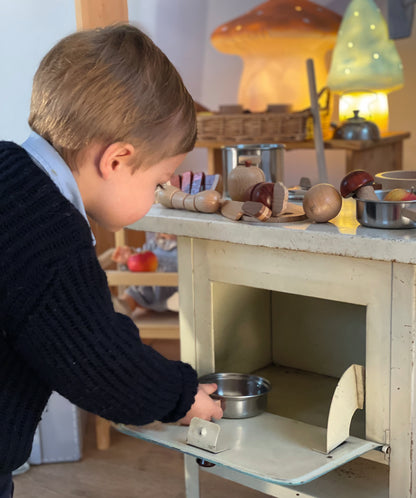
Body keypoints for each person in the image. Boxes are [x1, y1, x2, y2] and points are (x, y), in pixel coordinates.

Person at [0, 24, 222, 497]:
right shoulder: (49, 233)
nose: (160, 193)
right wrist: (182, 396)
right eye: (160, 180)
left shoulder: (7, 171)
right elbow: (100, 363)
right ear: (117, 160)